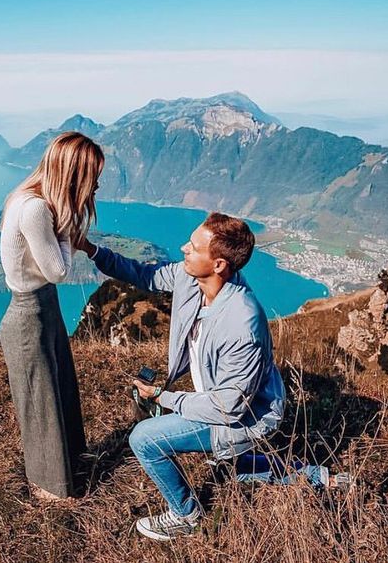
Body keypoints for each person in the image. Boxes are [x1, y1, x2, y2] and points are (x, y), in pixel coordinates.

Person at [75, 213, 285, 540]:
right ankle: (304, 474)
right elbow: (144, 275)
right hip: (220, 403)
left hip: (244, 418)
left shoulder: (242, 323)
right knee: (229, 469)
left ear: (218, 265)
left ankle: (186, 516)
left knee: (144, 439)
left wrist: (164, 398)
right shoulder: (193, 279)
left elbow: (229, 408)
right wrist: (90, 249)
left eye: (194, 246)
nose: (183, 247)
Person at [0, 131, 104, 500]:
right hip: (30, 314)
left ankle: (69, 464)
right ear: (73, 173)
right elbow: (58, 270)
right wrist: (71, 229)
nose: (95, 184)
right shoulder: (36, 209)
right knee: (41, 403)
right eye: (92, 176)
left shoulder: (28, 199)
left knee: (59, 390)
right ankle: (52, 492)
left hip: (43, 308)